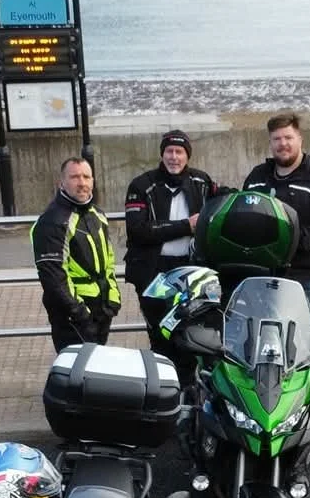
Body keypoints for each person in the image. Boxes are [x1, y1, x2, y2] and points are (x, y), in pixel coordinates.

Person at [242, 113, 310, 418]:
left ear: (300, 139)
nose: (283, 144)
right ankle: (267, 394)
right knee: (259, 333)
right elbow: (245, 216)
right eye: (277, 139)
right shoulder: (257, 177)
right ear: (270, 143)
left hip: (307, 272)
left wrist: (290, 243)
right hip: (263, 273)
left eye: (288, 137)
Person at [124, 129, 217, 360]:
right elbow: (138, 231)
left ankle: (188, 388)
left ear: (187, 156)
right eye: (169, 151)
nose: (173, 157)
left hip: (190, 269)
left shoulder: (202, 181)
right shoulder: (141, 185)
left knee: (190, 332)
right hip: (154, 271)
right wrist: (186, 226)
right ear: (162, 154)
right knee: (159, 334)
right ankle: (163, 386)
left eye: (179, 152)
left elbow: (222, 200)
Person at [31, 156, 119, 353]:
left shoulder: (97, 214)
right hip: (72, 315)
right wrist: (79, 313)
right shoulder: (53, 221)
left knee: (95, 371)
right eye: (75, 177)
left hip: (100, 309)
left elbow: (109, 261)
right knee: (76, 373)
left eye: (87, 177)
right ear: (61, 182)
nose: (82, 183)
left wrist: (113, 298)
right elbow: (54, 278)